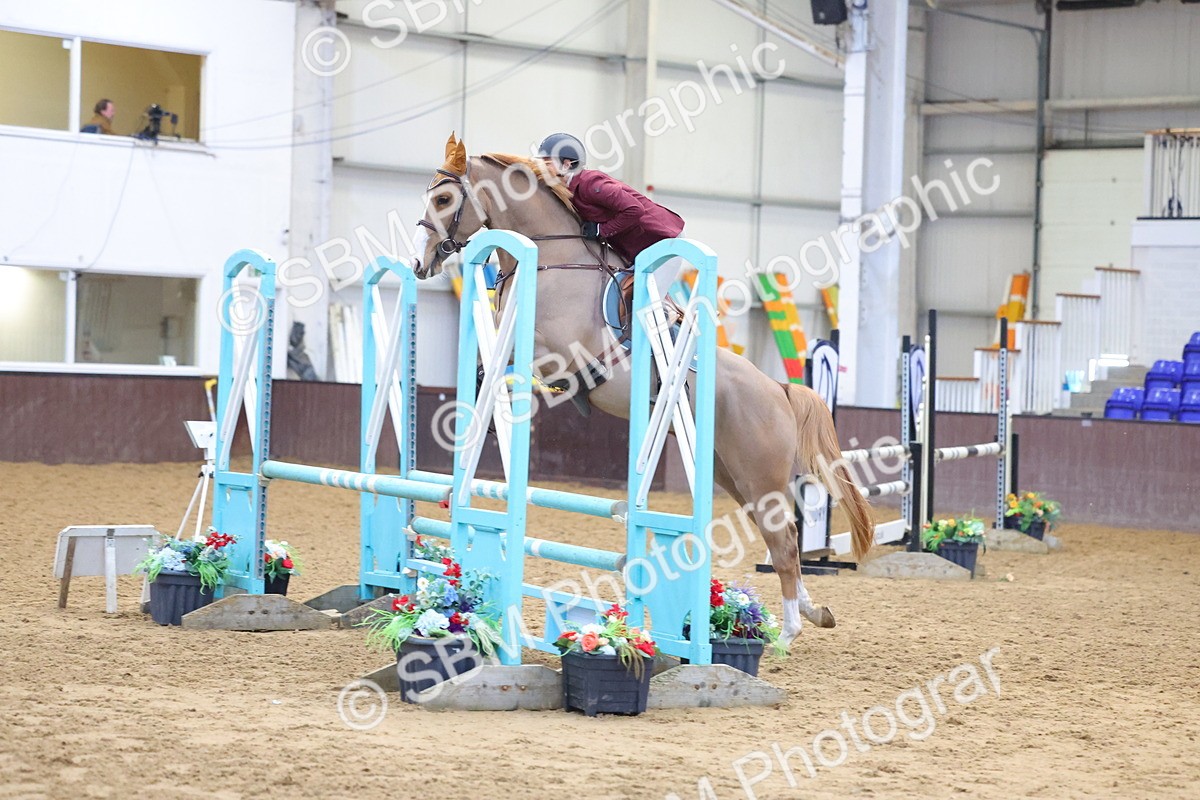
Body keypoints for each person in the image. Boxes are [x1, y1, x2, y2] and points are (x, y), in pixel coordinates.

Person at [536, 132, 684, 267]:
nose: (542, 169)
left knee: (642, 292)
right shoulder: (566, 190)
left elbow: (635, 209)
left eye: (547, 164)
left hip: (663, 239)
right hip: (637, 249)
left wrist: (601, 230)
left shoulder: (591, 184)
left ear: (566, 164)